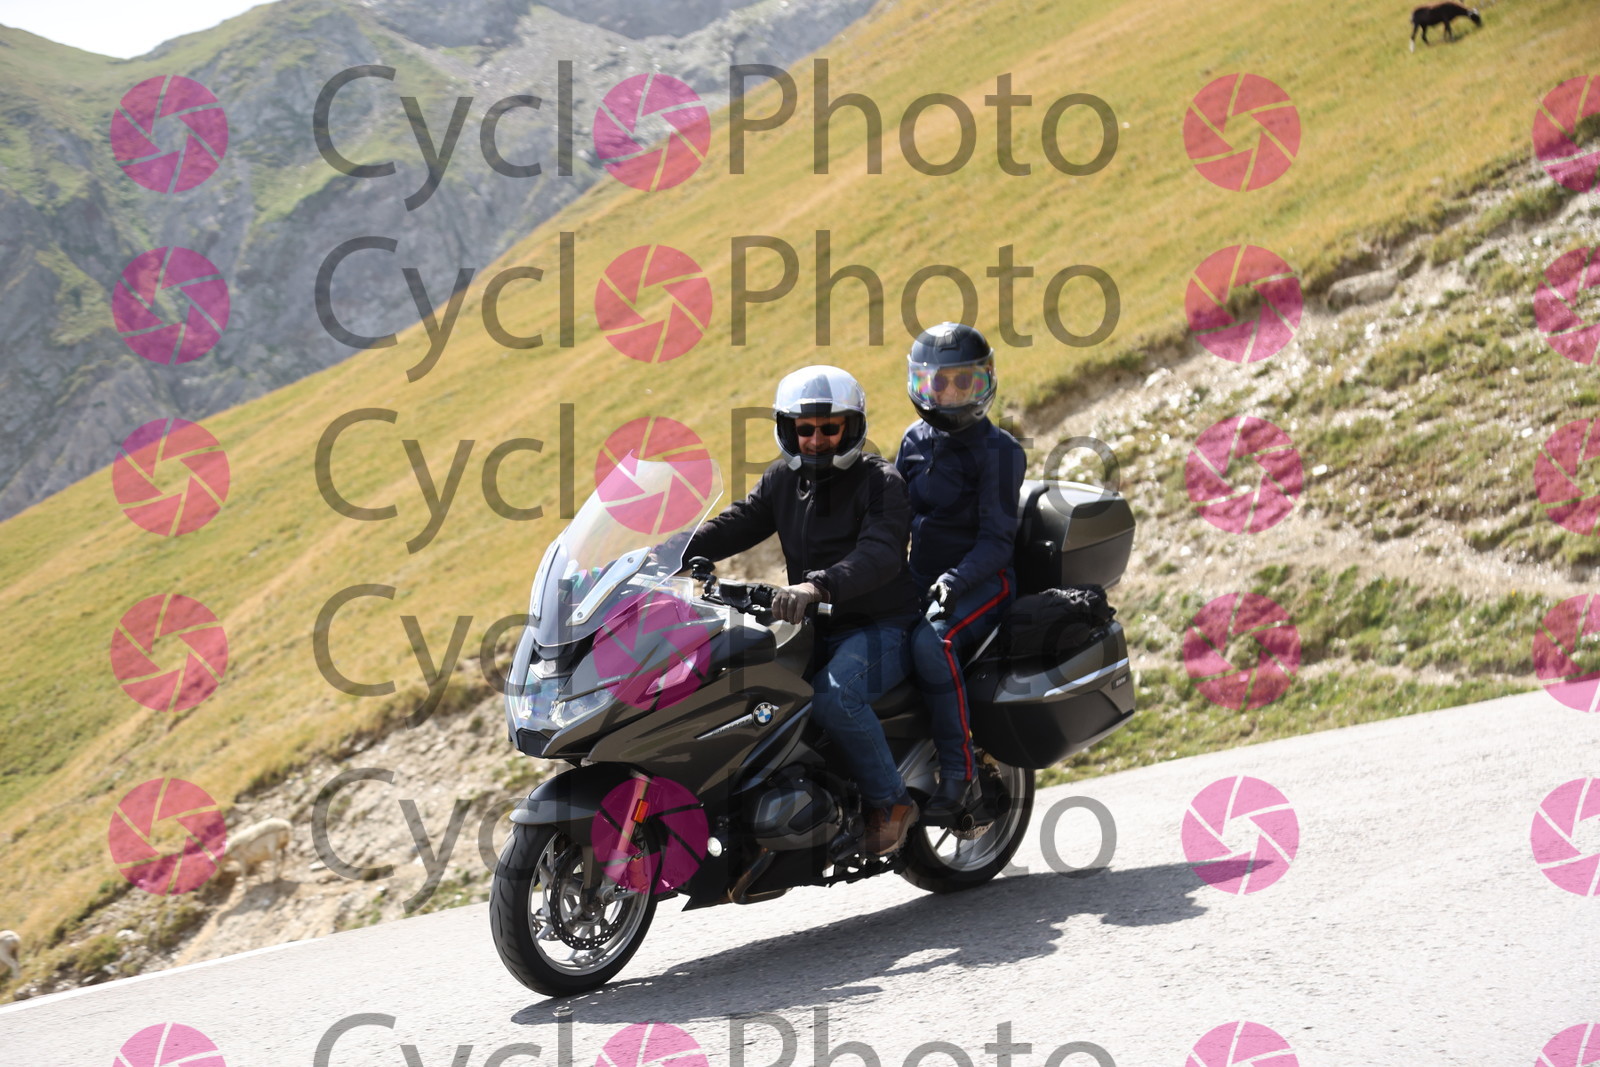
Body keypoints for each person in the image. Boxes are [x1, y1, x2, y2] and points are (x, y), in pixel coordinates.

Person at [685, 366, 922, 855]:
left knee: (836, 697)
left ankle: (891, 802)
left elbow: (879, 554)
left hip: (881, 625)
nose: (815, 439)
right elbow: (738, 522)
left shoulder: (881, 482)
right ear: (787, 429)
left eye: (829, 428)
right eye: (804, 429)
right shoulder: (782, 480)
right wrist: (667, 552)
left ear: (852, 427)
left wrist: (816, 587)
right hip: (812, 628)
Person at [896, 323, 1026, 825]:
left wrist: (954, 580)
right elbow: (894, 522)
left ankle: (959, 770)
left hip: (983, 581)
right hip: (921, 578)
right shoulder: (912, 442)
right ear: (920, 384)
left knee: (933, 642)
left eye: (963, 381)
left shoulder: (1001, 452)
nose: (949, 394)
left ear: (984, 381)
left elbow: (996, 541)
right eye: (938, 382)